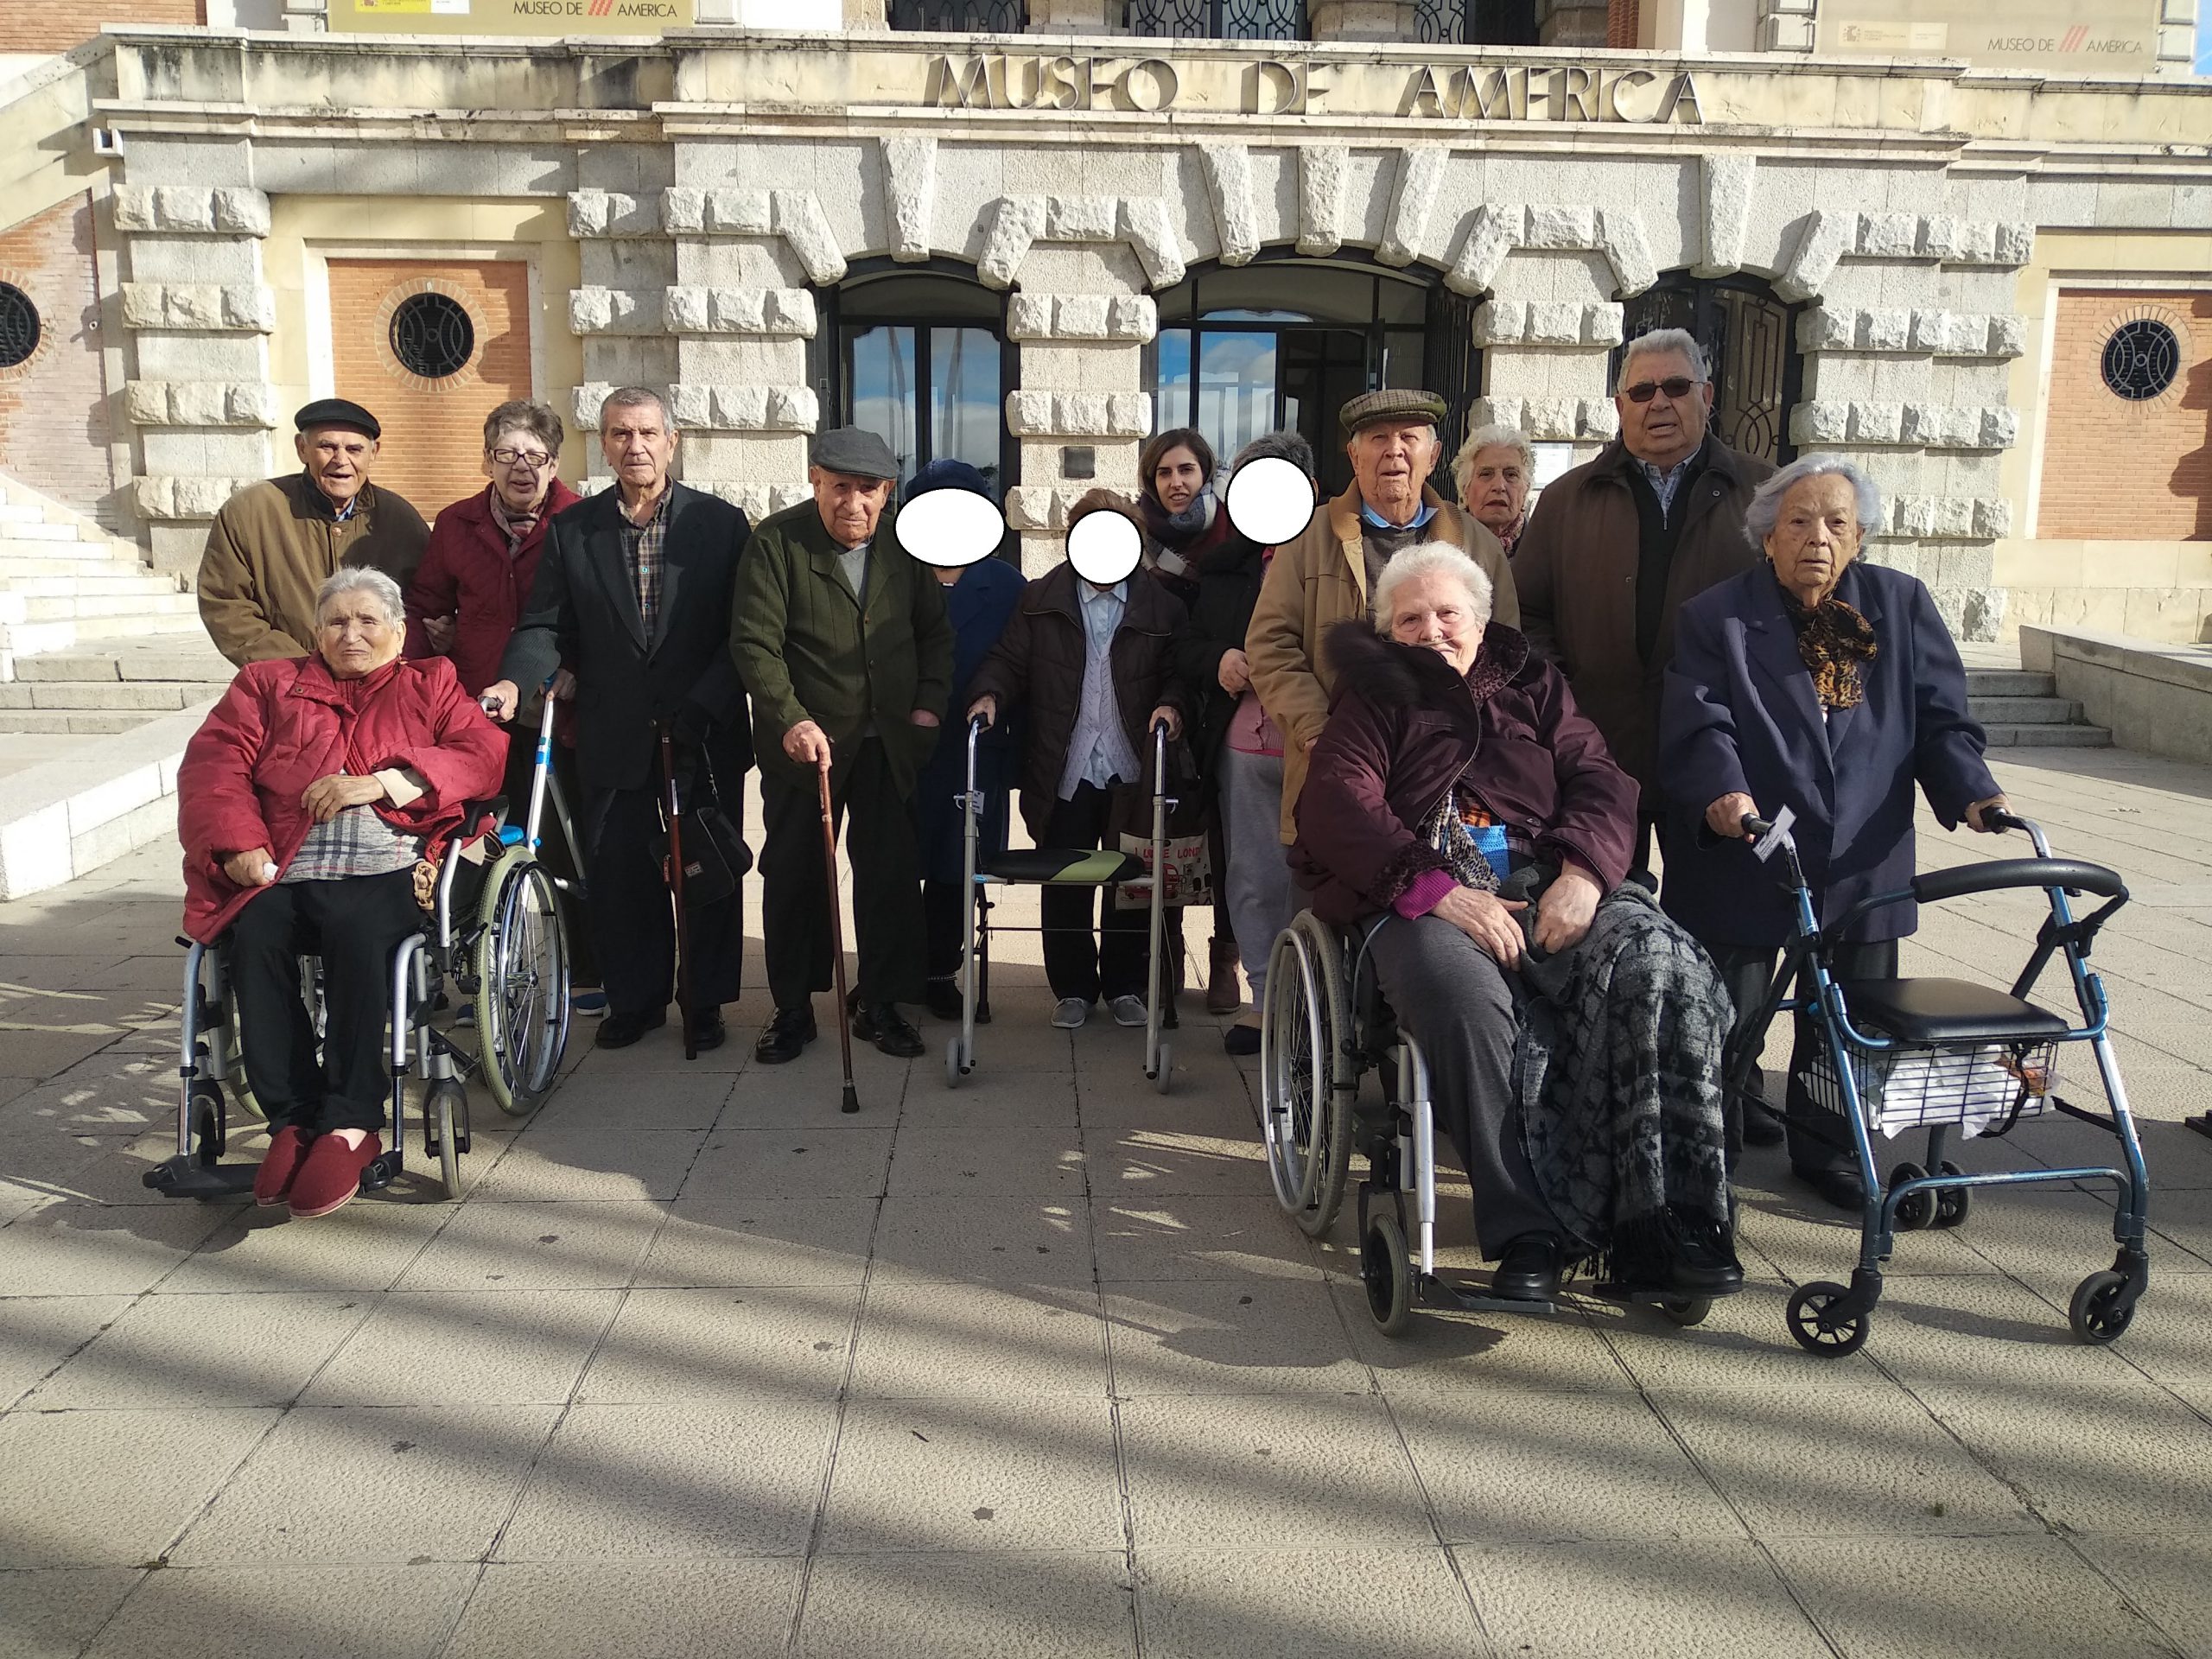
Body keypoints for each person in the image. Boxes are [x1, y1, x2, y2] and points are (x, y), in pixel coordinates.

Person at [1291, 543, 1743, 1304]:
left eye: (1448, 613)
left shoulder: (1535, 684)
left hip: (1551, 876)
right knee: (1457, 990)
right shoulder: (1371, 698)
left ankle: (1671, 1221)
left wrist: (1585, 875)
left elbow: (1600, 777)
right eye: (1411, 618)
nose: (1431, 629)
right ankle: (1529, 1227)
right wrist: (1433, 890)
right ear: (1389, 632)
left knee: (1662, 964)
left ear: (1481, 618)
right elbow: (1337, 801)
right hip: (1423, 893)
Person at [1659, 455, 2008, 1206]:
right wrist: (1723, 792)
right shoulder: (1715, 616)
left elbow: (1943, 722)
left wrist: (1977, 795)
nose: (1817, 537)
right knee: (1731, 1016)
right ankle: (1707, 1145)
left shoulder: (1901, 605)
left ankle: (1831, 1149)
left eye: (1836, 523)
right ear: (1767, 538)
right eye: (1799, 521)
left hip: (1861, 858)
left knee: (1846, 1020)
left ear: (1858, 540)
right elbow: (1702, 724)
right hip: (1753, 850)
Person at [177, 567, 505, 1219]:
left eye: (368, 621)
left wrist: (386, 782)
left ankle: (352, 1123)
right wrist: (238, 844)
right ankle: (293, 1121)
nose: (351, 633)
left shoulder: (429, 681)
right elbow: (214, 766)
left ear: (398, 631)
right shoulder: (266, 684)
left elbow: (483, 752)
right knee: (255, 934)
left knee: (358, 931)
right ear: (315, 631)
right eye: (336, 621)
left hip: (391, 863)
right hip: (285, 864)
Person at [482, 387, 753, 1053]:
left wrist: (705, 702)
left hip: (704, 727)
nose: (635, 447)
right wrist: (518, 681)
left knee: (705, 871)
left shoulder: (721, 524)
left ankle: (706, 1001)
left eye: (647, 433)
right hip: (616, 728)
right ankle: (636, 1001)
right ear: (601, 444)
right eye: (620, 435)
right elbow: (545, 622)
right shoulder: (575, 531)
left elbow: (742, 632)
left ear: (672, 440)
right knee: (623, 875)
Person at [1510, 327, 1773, 873]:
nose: (1658, 403)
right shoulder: (1567, 500)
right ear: (1619, 405)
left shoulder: (1764, 496)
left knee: (1713, 933)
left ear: (1707, 395)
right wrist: (1562, 695)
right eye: (1641, 391)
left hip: (1720, 757)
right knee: (1604, 921)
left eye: (1676, 387)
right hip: (1597, 750)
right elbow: (1526, 614)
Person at [733, 426, 954, 1064]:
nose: (851, 503)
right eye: (838, 487)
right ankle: (793, 1007)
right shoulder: (776, 542)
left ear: (886, 493)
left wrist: (927, 707)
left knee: (888, 873)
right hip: (807, 744)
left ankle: (883, 1003)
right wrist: (790, 719)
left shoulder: (906, 545)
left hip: (891, 739)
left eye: (866, 490)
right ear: (815, 481)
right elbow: (754, 644)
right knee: (796, 873)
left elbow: (935, 636)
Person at [1247, 388, 1519, 846]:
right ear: (1354, 457)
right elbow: (1269, 643)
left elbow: (1506, 652)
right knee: (1327, 906)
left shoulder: (1477, 545)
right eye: (1377, 438)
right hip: (1340, 772)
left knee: (1443, 908)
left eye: (1408, 438)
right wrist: (1319, 731)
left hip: (1451, 779)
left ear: (1432, 456)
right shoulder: (1307, 537)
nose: (1394, 451)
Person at [404, 400, 599, 1012]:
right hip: (477, 706)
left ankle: (584, 966)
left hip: (557, 708)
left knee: (566, 838)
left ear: (554, 463)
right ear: (487, 460)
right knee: (478, 833)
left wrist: (573, 670)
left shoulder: (582, 520)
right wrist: (429, 657)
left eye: (535, 457)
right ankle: (477, 954)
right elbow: (423, 602)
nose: (522, 469)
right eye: (508, 455)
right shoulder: (455, 524)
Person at [966, 490, 1187, 1030]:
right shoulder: (1041, 598)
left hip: (1131, 763)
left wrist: (1172, 703)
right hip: (1063, 762)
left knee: (1130, 880)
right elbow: (1008, 659)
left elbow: (1182, 671)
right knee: (1065, 879)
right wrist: (990, 693)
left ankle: (1126, 986)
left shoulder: (1161, 605)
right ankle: (1072, 989)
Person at [1175, 429, 1315, 1055]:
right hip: (1243, 743)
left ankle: (1314, 997)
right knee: (1253, 876)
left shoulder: (1338, 559)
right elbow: (1188, 646)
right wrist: (1221, 660)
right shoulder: (1225, 568)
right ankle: (1265, 1000)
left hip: (1318, 745)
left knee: (1312, 877)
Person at [904, 460, 1027, 1021]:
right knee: (895, 865)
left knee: (959, 865)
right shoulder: (893, 573)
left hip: (975, 748)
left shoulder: (1004, 584)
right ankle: (892, 973)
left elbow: (1022, 659)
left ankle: (939, 972)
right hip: (902, 745)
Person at [198, 398, 431, 666]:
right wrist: (298, 669)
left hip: (378, 686)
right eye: (327, 447)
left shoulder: (401, 520)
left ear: (374, 452)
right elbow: (226, 604)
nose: (341, 460)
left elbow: (424, 605)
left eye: (354, 449)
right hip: (286, 687)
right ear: (302, 449)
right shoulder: (250, 512)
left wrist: (384, 662)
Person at [1135, 427, 1224, 1005]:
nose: (1176, 483)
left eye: (1186, 470)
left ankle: (1225, 957)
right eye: (1164, 473)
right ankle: (1164, 952)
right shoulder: (1132, 537)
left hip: (1221, 693)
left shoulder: (1231, 534)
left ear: (1204, 474)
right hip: (1157, 694)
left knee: (1225, 834)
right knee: (1160, 829)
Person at [1452, 422, 1535, 557]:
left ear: (1525, 490)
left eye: (1511, 475)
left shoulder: (1547, 553)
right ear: (1465, 488)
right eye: (1486, 474)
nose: (1499, 486)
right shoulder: (1442, 546)